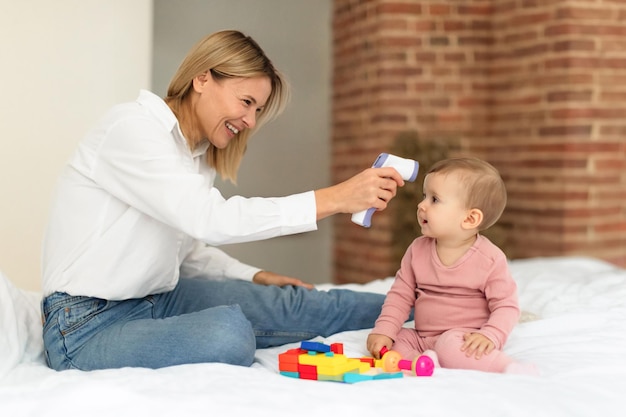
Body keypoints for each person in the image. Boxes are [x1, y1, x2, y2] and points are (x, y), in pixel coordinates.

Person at [41, 30, 407, 371]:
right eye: (246, 102)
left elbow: (187, 251)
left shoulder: (194, 154)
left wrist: (254, 276)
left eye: (257, 110)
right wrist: (334, 198)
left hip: (157, 298)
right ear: (202, 78)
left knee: (296, 302)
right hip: (84, 326)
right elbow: (208, 219)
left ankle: (432, 309)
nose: (249, 121)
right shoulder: (132, 129)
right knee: (229, 332)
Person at [367, 157, 539, 375]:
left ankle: (508, 368)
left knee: (449, 346)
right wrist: (385, 330)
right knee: (397, 340)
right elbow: (400, 295)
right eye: (424, 196)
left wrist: (490, 335)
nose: (421, 205)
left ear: (470, 219)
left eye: (434, 200)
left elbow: (506, 306)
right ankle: (422, 363)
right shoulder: (417, 250)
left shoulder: (489, 259)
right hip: (423, 338)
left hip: (464, 337)